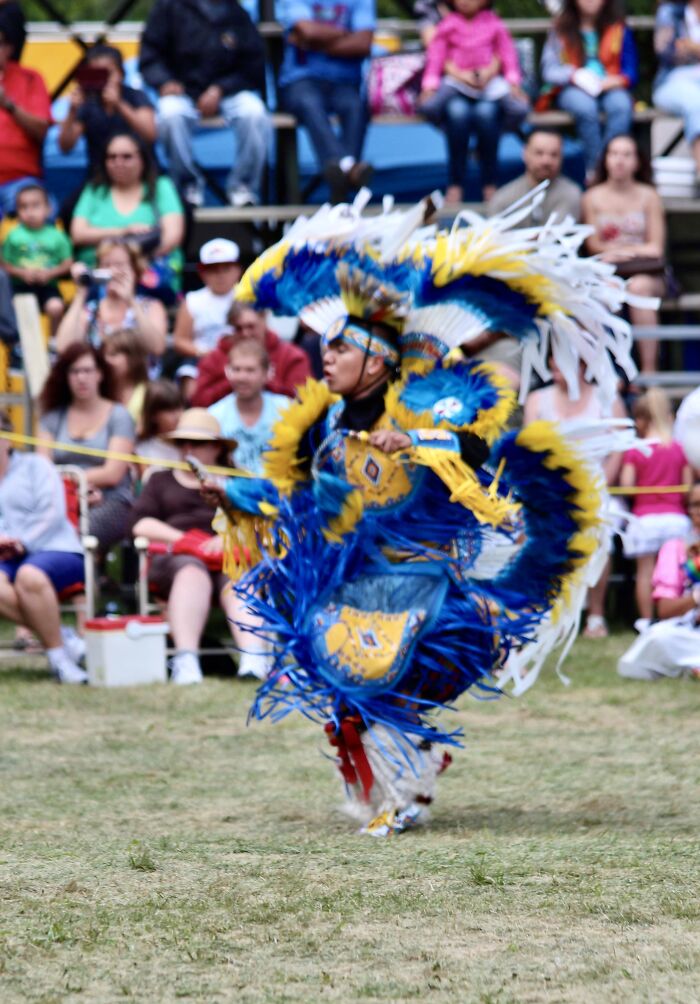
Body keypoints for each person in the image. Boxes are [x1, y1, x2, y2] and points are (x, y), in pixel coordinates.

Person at [206, 195, 635, 836]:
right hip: (354, 578)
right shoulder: (323, 422)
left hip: (425, 579)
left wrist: (414, 440)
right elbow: (299, 498)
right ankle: (412, 768)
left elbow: (474, 442)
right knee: (346, 686)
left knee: (377, 679)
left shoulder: (429, 399)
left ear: (377, 360)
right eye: (324, 349)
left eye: (339, 349)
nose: (325, 359)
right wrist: (232, 496)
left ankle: (404, 793)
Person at [129, 408, 269, 685]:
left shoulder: (239, 482)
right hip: (175, 557)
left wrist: (229, 539)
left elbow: (261, 524)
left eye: (197, 443)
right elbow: (140, 523)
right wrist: (186, 541)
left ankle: (254, 658)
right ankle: (186, 661)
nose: (188, 450)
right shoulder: (160, 480)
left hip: (229, 556)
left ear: (216, 448)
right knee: (191, 571)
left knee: (239, 578)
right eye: (182, 443)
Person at [523, 354, 628, 639]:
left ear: (582, 364)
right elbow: (529, 447)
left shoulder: (607, 398)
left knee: (601, 529)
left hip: (597, 486)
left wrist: (600, 484)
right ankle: (548, 612)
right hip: (549, 488)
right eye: (553, 363)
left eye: (562, 363)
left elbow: (620, 445)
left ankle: (596, 615)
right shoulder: (537, 399)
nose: (556, 369)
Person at [139, 0, 271, 209]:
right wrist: (164, 81)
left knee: (255, 112)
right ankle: (186, 187)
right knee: (170, 114)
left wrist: (221, 88)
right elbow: (150, 55)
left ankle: (243, 187)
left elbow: (253, 65)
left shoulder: (235, 11)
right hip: (181, 90)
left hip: (227, 92)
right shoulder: (169, 7)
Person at [0, 410, 87, 684]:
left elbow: (53, 512)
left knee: (30, 575)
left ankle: (59, 659)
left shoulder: (36, 465)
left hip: (55, 547)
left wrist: (23, 541)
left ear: (8, 438)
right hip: (6, 556)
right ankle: (62, 643)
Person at [419, 0, 526, 202]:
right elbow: (436, 55)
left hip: (489, 86)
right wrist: (430, 84)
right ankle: (455, 184)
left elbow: (507, 53)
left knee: (506, 110)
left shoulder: (494, 23)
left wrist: (511, 81)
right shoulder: (448, 24)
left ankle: (489, 183)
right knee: (445, 110)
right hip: (456, 86)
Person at [38, 344, 136, 553]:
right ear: (65, 377)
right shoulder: (52, 418)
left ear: (100, 374)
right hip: (59, 497)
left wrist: (72, 481)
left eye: (87, 370)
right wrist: (72, 490)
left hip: (110, 500)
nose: (81, 378)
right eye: (74, 371)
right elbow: (42, 469)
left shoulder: (119, 415)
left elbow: (112, 474)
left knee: (75, 535)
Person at [582, 134, 667, 374]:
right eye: (614, 154)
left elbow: (655, 247)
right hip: (608, 272)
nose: (620, 160)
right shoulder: (591, 197)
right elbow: (593, 245)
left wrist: (620, 252)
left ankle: (649, 372)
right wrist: (629, 251)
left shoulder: (649, 196)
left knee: (638, 288)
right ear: (605, 159)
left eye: (627, 154)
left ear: (637, 161)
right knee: (607, 290)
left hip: (648, 273)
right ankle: (609, 373)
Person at [278, 0, 375, 204]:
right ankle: (349, 168)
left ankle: (340, 174)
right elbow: (307, 31)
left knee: (356, 106)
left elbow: (363, 43)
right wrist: (346, 33)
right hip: (301, 80)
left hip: (345, 82)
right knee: (309, 103)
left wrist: (315, 43)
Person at [69, 131, 185, 300]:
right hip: (101, 279)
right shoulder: (94, 190)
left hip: (149, 277)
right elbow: (77, 234)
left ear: (142, 159)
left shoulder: (161, 186)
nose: (118, 162)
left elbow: (173, 236)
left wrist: (134, 263)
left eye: (127, 156)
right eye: (112, 157)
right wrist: (124, 231)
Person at [538, 0, 638, 184]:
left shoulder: (618, 28)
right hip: (572, 88)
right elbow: (548, 71)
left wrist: (617, 80)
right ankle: (596, 171)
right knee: (585, 107)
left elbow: (631, 71)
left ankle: (610, 168)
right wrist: (573, 75)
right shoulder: (560, 28)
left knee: (621, 105)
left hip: (609, 86)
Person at [619, 389, 691, 631]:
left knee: (645, 572)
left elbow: (627, 486)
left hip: (645, 520)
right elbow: (687, 488)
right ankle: (674, 617)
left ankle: (646, 620)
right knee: (676, 571)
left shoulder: (635, 450)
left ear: (642, 419)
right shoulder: (678, 449)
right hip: (675, 519)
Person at [618, 481, 700, 680]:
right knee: (658, 637)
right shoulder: (677, 548)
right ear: (689, 510)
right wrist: (695, 598)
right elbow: (665, 610)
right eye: (696, 504)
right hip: (689, 633)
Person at [55, 239, 168, 356]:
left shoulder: (151, 306)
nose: (113, 271)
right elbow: (63, 347)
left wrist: (130, 300)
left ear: (135, 270)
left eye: (119, 265)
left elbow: (157, 348)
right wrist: (81, 294)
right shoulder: (91, 310)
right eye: (106, 265)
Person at [58, 44, 157, 178]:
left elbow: (150, 135)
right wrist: (72, 110)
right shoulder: (87, 103)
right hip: (100, 179)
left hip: (143, 176)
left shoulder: (136, 96)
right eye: (97, 74)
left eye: (108, 73)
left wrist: (119, 104)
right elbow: (65, 147)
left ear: (121, 73)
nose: (104, 80)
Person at [192, 302, 312, 407]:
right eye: (238, 328)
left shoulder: (292, 356)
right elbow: (199, 401)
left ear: (264, 320)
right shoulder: (213, 359)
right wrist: (236, 382)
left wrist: (262, 382)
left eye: (251, 327)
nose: (245, 333)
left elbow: (302, 400)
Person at [208, 339, 289, 475]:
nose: (242, 377)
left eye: (250, 370)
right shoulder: (214, 416)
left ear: (267, 373)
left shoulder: (286, 409)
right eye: (236, 369)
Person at [1, 183, 73, 335]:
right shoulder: (13, 236)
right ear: (17, 211)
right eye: (23, 207)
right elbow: (4, 264)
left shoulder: (58, 236)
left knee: (56, 307)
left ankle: (54, 342)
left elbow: (68, 263)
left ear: (49, 209)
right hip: (20, 287)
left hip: (48, 286)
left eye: (36, 206)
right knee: (19, 309)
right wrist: (22, 273)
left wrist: (50, 273)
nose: (30, 212)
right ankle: (22, 344)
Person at [0, 27, 52, 216]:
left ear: (9, 48)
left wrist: (8, 105)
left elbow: (42, 132)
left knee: (39, 214)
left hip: (20, 182)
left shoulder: (30, 78)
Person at [488, 128, 582, 224]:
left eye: (554, 154)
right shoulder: (502, 199)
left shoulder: (571, 194)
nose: (546, 161)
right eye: (539, 153)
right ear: (525, 153)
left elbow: (560, 230)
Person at [653, 0, 700, 181]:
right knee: (696, 102)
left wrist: (691, 46)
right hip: (673, 82)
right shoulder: (670, 12)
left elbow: (682, 47)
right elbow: (666, 52)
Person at [172, 238, 241, 361]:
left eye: (226, 268)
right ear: (202, 273)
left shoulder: (249, 298)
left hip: (243, 359)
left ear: (238, 270)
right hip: (201, 361)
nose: (220, 275)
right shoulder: (192, 300)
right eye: (213, 270)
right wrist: (205, 353)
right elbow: (179, 340)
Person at [135, 378, 183, 481]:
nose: (178, 416)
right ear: (153, 416)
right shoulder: (142, 450)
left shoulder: (190, 445)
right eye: (170, 410)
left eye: (179, 408)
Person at [103, 328, 150, 429]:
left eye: (113, 354)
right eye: (104, 355)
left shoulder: (148, 393)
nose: (106, 360)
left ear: (133, 358)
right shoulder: (98, 392)